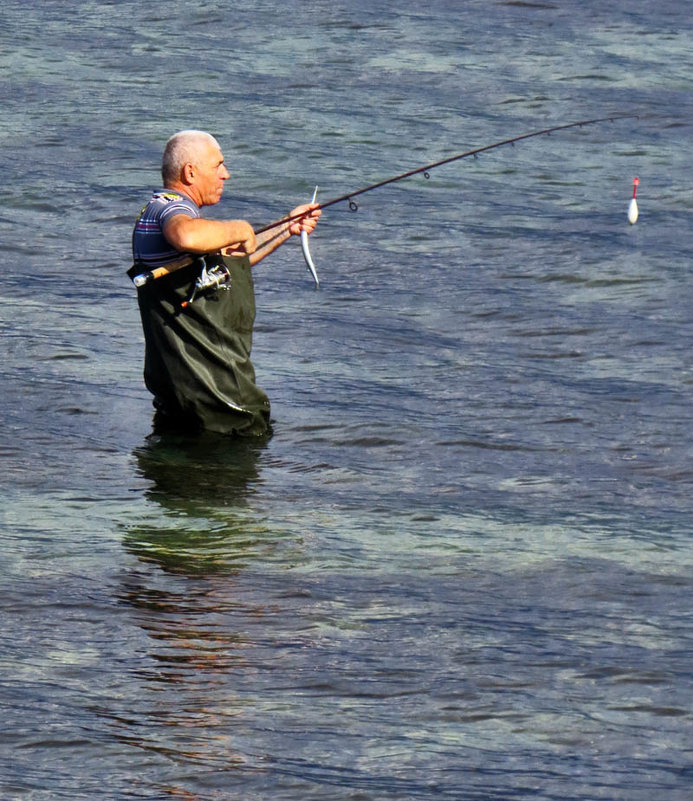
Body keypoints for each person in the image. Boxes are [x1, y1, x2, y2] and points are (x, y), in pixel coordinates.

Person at [129, 130, 320, 436]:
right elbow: (187, 234)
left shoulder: (163, 215)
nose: (226, 175)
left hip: (184, 404)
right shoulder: (169, 209)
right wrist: (238, 227)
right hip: (222, 409)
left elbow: (228, 260)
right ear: (190, 172)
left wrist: (287, 226)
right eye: (218, 165)